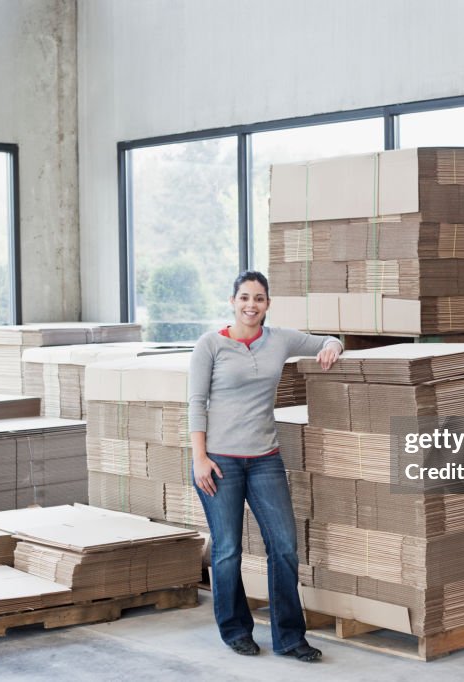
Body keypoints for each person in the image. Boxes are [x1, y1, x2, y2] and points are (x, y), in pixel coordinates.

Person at [188, 270, 342, 661]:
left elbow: (328, 339)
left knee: (285, 547)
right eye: (244, 297)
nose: (251, 305)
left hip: (265, 460)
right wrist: (199, 459)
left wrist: (332, 347)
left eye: (258, 298)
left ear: (268, 304)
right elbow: (195, 404)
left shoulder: (280, 340)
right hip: (219, 462)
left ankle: (290, 638)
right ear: (232, 302)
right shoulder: (210, 345)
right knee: (227, 551)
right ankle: (236, 630)